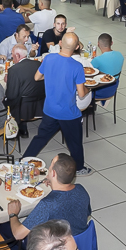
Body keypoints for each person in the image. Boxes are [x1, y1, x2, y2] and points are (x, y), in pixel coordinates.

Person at [22, 33, 90, 175]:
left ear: (60, 43)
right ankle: (79, 168)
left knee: (41, 138)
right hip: (68, 113)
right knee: (74, 143)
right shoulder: (77, 66)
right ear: (77, 47)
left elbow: (37, 77)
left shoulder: (49, 58)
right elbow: (82, 94)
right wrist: (88, 88)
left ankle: (25, 161)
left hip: (49, 109)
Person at [3, 153, 91, 250]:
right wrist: (54, 183)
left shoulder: (48, 204)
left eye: (51, 163)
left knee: (4, 227)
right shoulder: (81, 190)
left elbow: (18, 234)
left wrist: (13, 214)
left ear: (53, 173)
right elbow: (86, 214)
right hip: (78, 244)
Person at [3, 44, 44, 138]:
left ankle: (16, 128)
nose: (12, 57)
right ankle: (23, 128)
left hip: (23, 109)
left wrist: (9, 82)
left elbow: (11, 95)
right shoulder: (38, 64)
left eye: (12, 55)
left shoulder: (14, 70)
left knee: (5, 100)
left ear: (17, 55)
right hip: (41, 105)